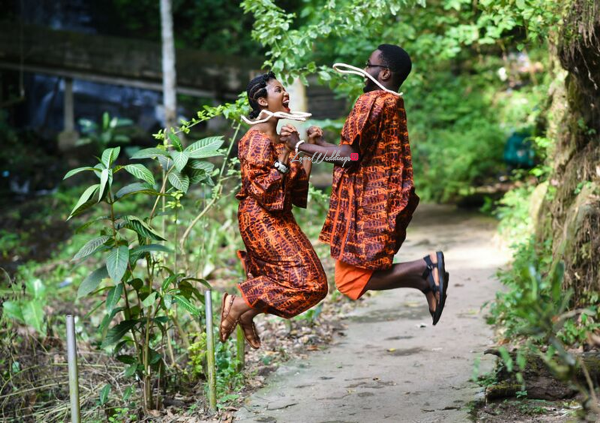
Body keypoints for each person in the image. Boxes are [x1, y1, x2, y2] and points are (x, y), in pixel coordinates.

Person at [280, 44, 449, 325]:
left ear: (383, 72)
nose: (363, 70)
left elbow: (350, 156)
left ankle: (426, 267)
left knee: (348, 281)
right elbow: (358, 152)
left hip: (368, 207)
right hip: (381, 202)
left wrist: (297, 145)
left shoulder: (371, 102)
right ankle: (424, 280)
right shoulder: (391, 102)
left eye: (368, 65)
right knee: (350, 279)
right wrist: (320, 145)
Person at [219, 72, 328, 349]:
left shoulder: (280, 139)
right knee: (309, 283)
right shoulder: (255, 140)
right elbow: (264, 190)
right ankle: (239, 302)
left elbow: (295, 185)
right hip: (259, 218)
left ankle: (247, 311)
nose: (286, 94)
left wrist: (307, 148)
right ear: (262, 101)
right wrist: (282, 158)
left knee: (314, 283)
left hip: (279, 217)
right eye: (279, 90)